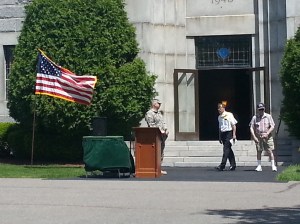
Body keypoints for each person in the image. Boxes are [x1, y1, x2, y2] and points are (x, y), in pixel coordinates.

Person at [249, 102, 277, 172]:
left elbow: (272, 126)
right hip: (259, 136)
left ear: (264, 109)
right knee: (259, 151)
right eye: (260, 109)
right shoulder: (255, 117)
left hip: (267, 136)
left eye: (262, 109)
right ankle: (259, 166)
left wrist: (267, 133)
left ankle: (273, 165)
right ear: (257, 110)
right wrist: (254, 137)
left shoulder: (268, 116)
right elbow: (251, 127)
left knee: (270, 150)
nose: (261, 111)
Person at [145, 99, 169, 175]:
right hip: (155, 136)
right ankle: (154, 168)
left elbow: (163, 122)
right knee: (155, 152)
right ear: (154, 104)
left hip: (162, 136)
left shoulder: (159, 113)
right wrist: (159, 131)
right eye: (158, 103)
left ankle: (159, 168)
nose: (159, 105)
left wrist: (165, 129)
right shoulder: (149, 113)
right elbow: (151, 125)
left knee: (161, 152)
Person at [216, 102, 237, 171]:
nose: (219, 109)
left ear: (223, 108)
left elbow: (233, 125)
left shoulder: (229, 115)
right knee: (228, 150)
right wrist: (219, 137)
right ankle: (233, 164)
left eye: (220, 108)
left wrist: (234, 134)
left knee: (226, 149)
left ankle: (222, 165)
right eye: (218, 108)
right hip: (223, 134)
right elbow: (220, 128)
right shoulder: (219, 117)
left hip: (229, 133)